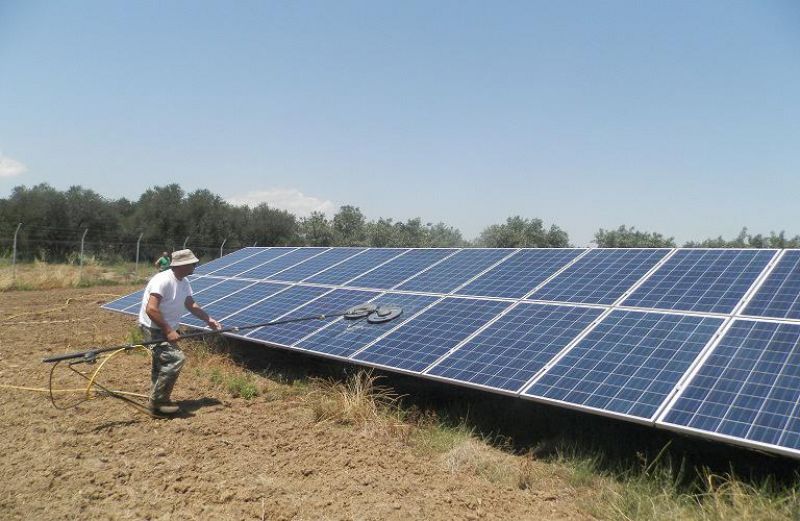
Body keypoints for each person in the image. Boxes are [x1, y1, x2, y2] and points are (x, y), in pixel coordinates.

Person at [138, 249, 221, 415]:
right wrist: (168, 330)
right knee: (175, 359)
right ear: (181, 265)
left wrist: (208, 319)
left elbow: (190, 304)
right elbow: (151, 309)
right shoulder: (162, 281)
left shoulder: (183, 282)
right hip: (154, 328)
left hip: (167, 327)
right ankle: (158, 403)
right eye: (192, 264)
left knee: (162, 364)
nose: (195, 266)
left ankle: (157, 399)